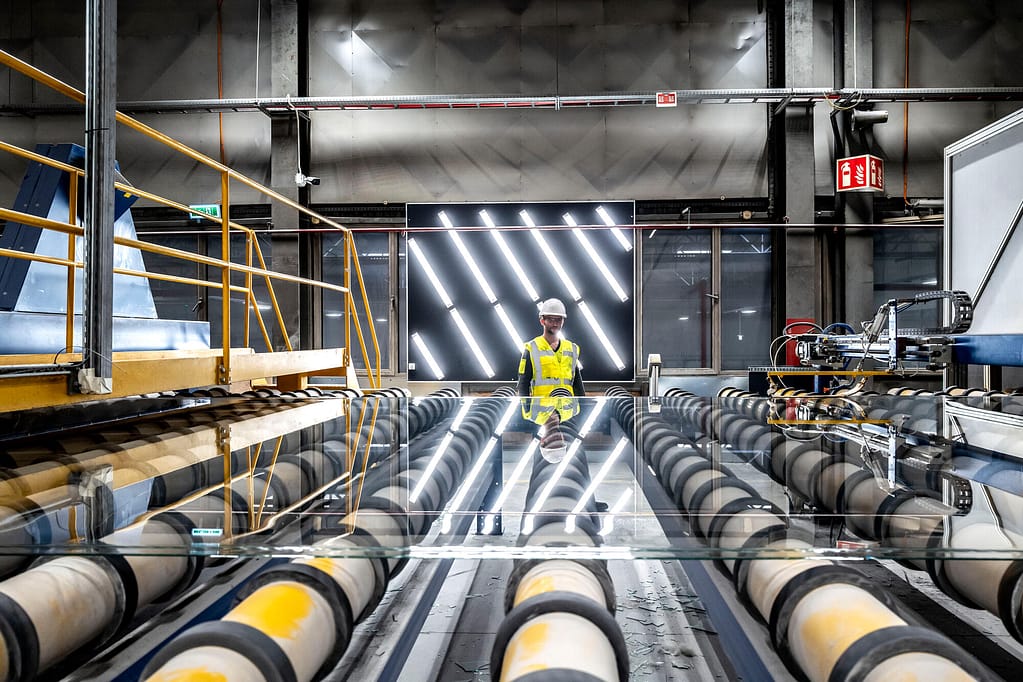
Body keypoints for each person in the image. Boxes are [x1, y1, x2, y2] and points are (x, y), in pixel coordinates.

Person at [517, 298, 586, 458]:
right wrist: (525, 405)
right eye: (551, 319)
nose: (555, 323)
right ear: (542, 320)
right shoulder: (532, 348)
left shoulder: (571, 348)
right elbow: (523, 383)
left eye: (559, 319)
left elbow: (577, 381)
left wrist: (584, 404)